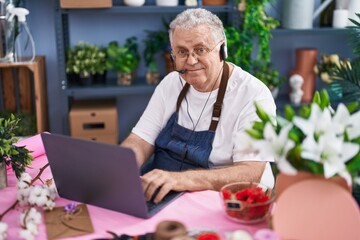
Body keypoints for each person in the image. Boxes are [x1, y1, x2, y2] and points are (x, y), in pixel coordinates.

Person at [121, 8, 276, 203]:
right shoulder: (171, 83)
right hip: (166, 192)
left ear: (222, 48)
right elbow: (140, 141)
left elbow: (250, 172)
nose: (191, 60)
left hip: (225, 199)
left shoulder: (253, 95)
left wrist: (180, 180)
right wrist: (120, 169)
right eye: (182, 52)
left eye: (200, 50)